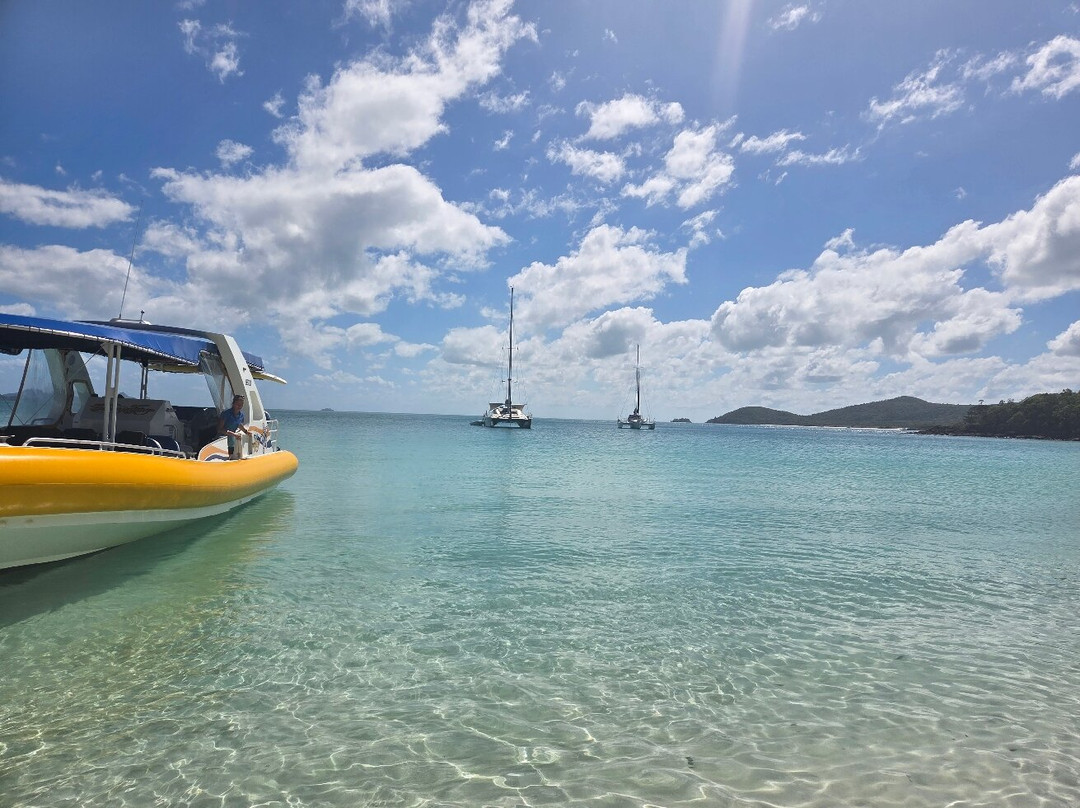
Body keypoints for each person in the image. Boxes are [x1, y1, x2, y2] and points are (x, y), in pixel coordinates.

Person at [218, 394, 252, 458]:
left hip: (232, 438)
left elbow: (238, 424)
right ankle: (230, 456)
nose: (239, 406)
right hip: (222, 437)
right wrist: (233, 434)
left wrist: (246, 432)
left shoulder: (241, 415)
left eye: (241, 405)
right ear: (233, 404)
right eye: (237, 404)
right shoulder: (226, 413)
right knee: (232, 440)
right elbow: (220, 429)